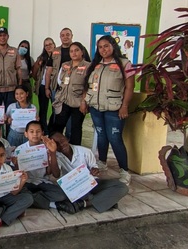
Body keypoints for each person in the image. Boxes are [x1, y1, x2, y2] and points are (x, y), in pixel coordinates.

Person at [82, 35, 135, 185]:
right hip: (96, 108)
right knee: (101, 135)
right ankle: (102, 162)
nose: (103, 49)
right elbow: (88, 86)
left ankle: (124, 171)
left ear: (113, 46)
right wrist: (85, 101)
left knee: (115, 138)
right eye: (100, 47)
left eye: (106, 46)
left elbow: (130, 87)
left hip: (114, 108)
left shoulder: (125, 64)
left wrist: (125, 106)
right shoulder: (95, 64)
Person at [51, 132, 128, 214]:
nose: (61, 144)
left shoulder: (85, 151)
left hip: (91, 184)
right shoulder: (55, 157)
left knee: (122, 187)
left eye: (62, 140)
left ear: (67, 139)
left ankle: (85, 204)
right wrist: (52, 153)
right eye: (57, 144)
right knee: (68, 195)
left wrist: (95, 170)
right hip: (73, 189)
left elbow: (94, 167)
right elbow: (56, 175)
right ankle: (105, 200)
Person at [0, 140, 33, 233]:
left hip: (6, 196)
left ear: (5, 155)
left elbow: (14, 192)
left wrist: (23, 181)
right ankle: (11, 212)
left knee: (28, 198)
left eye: (2, 155)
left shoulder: (7, 168)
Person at [13, 121, 67, 209]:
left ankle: (37, 199)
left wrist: (52, 153)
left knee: (61, 195)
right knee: (20, 193)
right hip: (26, 183)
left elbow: (55, 174)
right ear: (26, 134)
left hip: (42, 182)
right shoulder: (19, 150)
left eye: (38, 131)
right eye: (31, 131)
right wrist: (16, 164)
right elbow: (17, 175)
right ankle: (51, 204)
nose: (35, 134)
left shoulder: (47, 147)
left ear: (42, 133)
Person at [52, 28, 91, 138]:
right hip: (64, 100)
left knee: (76, 128)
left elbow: (88, 87)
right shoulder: (65, 65)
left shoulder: (88, 66)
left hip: (78, 102)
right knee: (58, 126)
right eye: (71, 51)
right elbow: (60, 80)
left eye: (76, 50)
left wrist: (84, 102)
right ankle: (56, 150)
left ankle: (74, 152)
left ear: (82, 51)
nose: (73, 53)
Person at [32, 37, 55, 134]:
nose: (49, 46)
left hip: (54, 87)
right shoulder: (41, 58)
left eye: (50, 44)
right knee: (43, 110)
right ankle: (44, 130)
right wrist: (38, 65)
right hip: (42, 87)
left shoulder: (59, 57)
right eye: (46, 45)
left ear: (54, 44)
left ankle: (52, 129)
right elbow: (34, 73)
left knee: (56, 110)